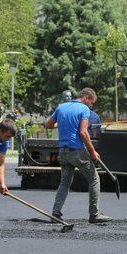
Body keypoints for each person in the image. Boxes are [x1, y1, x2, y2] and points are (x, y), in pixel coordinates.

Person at [45, 88, 110, 223]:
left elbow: (48, 124)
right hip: (77, 151)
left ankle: (55, 213)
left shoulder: (61, 107)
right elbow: (83, 132)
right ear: (86, 98)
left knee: (65, 183)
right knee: (94, 179)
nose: (91, 106)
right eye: (91, 102)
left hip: (63, 151)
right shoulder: (83, 109)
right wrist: (92, 151)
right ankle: (94, 214)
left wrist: (62, 123)